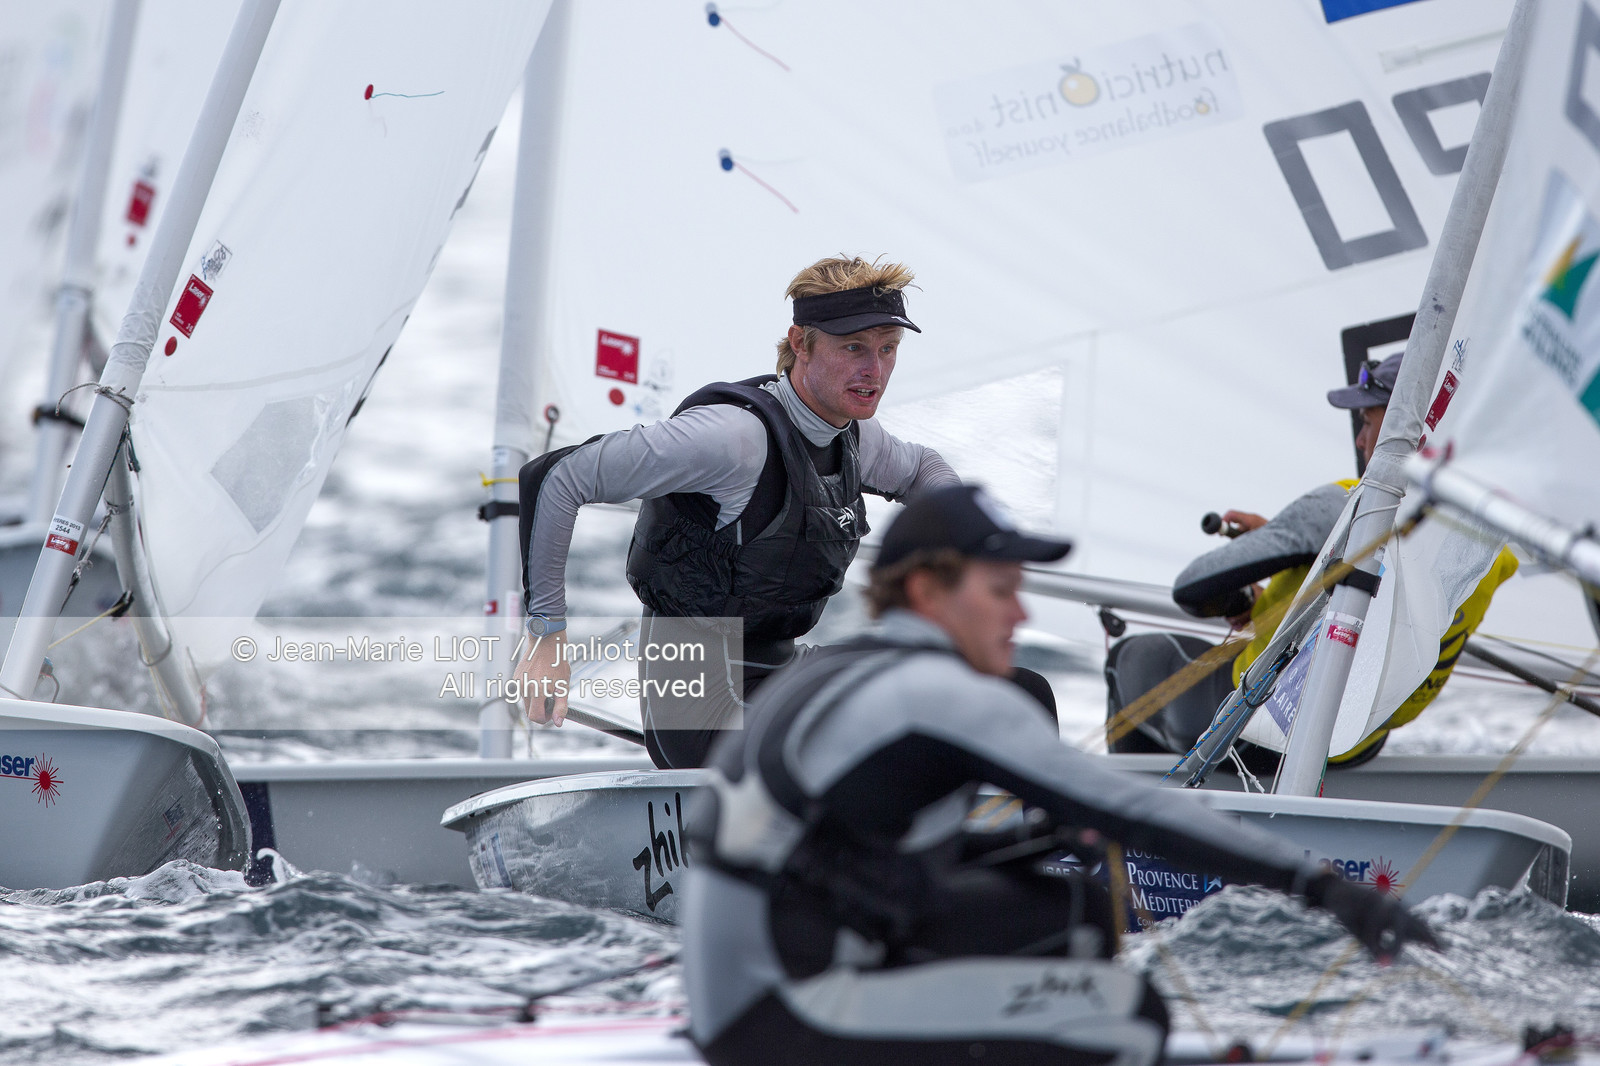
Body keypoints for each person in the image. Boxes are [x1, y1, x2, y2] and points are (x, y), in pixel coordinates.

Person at [683, 484, 1436, 1066]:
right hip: (785, 1013)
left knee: (1074, 912)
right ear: (927, 594)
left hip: (750, 983)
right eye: (1001, 591)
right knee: (1129, 1015)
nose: (1019, 617)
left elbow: (833, 852)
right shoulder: (936, 693)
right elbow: (1133, 810)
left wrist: (983, 851)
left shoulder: (841, 670)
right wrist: (1324, 888)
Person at [514, 256, 963, 770]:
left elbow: (923, 469)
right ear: (800, 343)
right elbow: (554, 477)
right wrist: (546, 637)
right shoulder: (731, 440)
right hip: (698, 707)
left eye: (888, 350)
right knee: (869, 742)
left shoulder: (855, 436)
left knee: (1007, 689)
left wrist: (966, 546)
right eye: (854, 348)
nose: (874, 370)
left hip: (781, 674)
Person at [1106, 352, 1518, 766]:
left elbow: (1194, 589)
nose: (1360, 439)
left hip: (1260, 729)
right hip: (1356, 741)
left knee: (1128, 657)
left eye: (1369, 422)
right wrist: (1299, 555)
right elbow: (1390, 595)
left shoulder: (1344, 504)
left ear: (1410, 431)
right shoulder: (1487, 546)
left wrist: (1243, 596)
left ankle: (1132, 816)